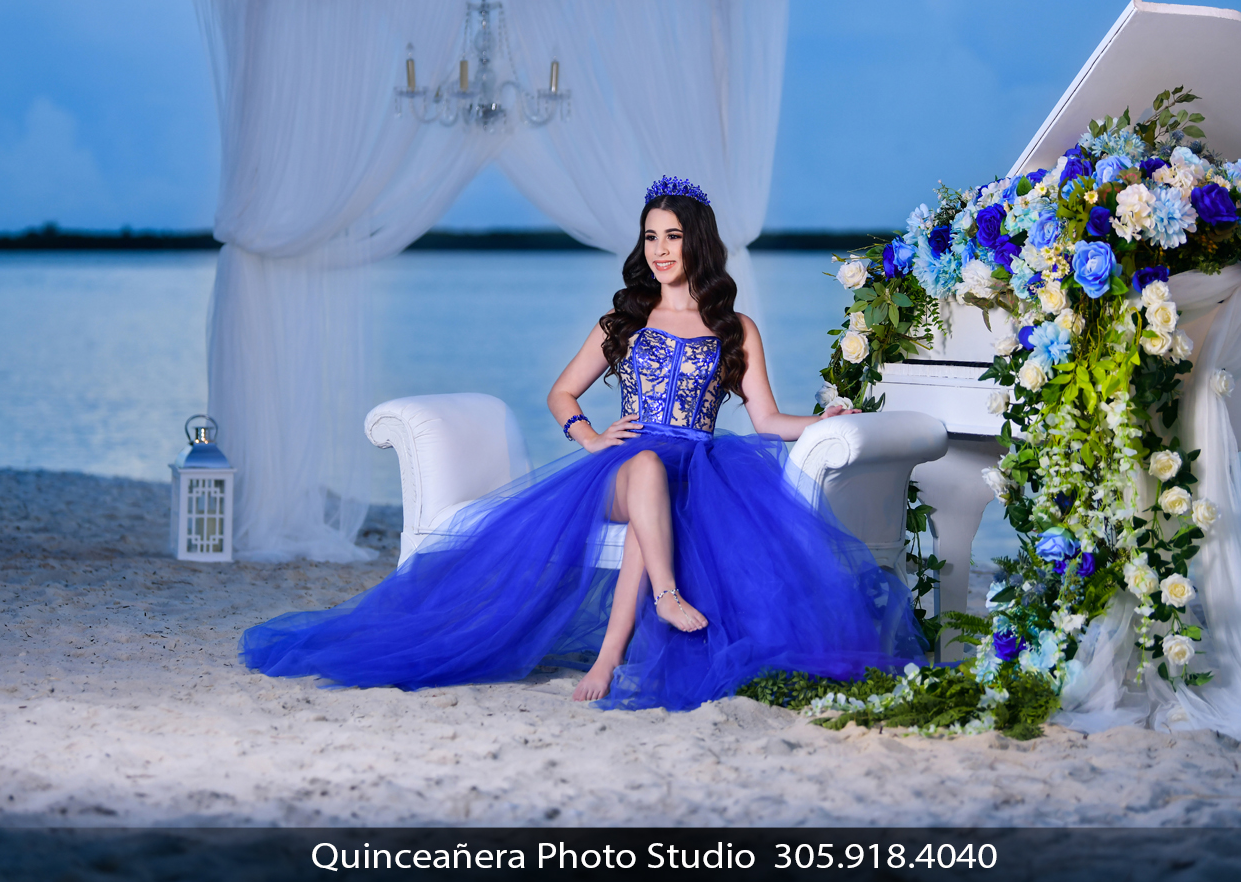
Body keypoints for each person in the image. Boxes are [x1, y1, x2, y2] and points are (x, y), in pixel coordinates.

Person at [241, 178, 925, 711]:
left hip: (703, 470)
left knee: (653, 512)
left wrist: (832, 419)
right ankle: (665, 598)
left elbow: (769, 420)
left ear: (699, 244)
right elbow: (560, 394)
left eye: (673, 236)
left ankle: (606, 659)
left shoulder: (735, 327)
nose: (660, 250)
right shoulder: (626, 320)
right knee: (649, 466)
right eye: (651, 236)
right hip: (620, 469)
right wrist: (591, 435)